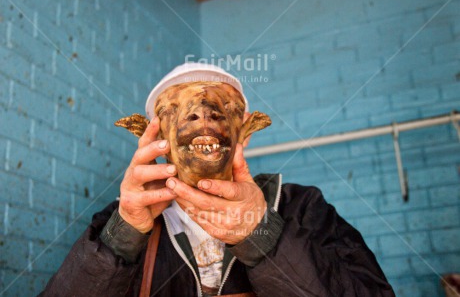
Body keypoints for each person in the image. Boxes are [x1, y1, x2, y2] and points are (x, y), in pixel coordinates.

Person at [40, 63, 395, 297]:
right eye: (173, 109)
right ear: (150, 135)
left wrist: (263, 234)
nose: (203, 111)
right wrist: (123, 235)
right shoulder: (121, 220)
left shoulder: (302, 208)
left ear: (247, 131)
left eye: (225, 107)